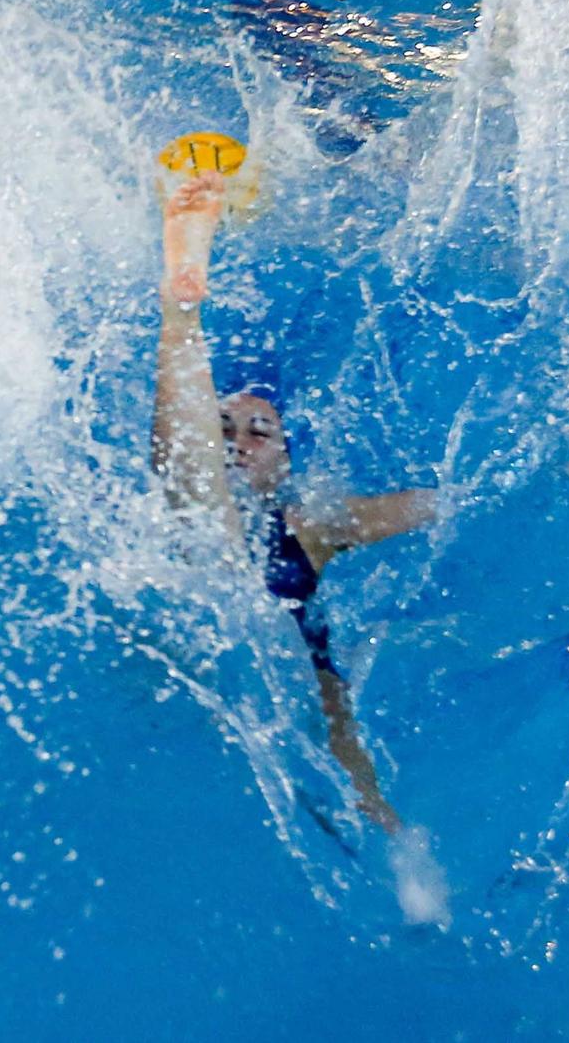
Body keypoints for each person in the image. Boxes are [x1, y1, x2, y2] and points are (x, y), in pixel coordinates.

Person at [151, 172, 436, 832]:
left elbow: (432, 505)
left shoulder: (310, 525)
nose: (241, 441)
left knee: (328, 692)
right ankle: (179, 320)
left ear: (284, 462)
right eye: (224, 428)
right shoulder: (174, 501)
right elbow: (185, 463)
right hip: (200, 604)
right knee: (196, 504)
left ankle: (384, 830)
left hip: (284, 657)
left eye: (259, 432)